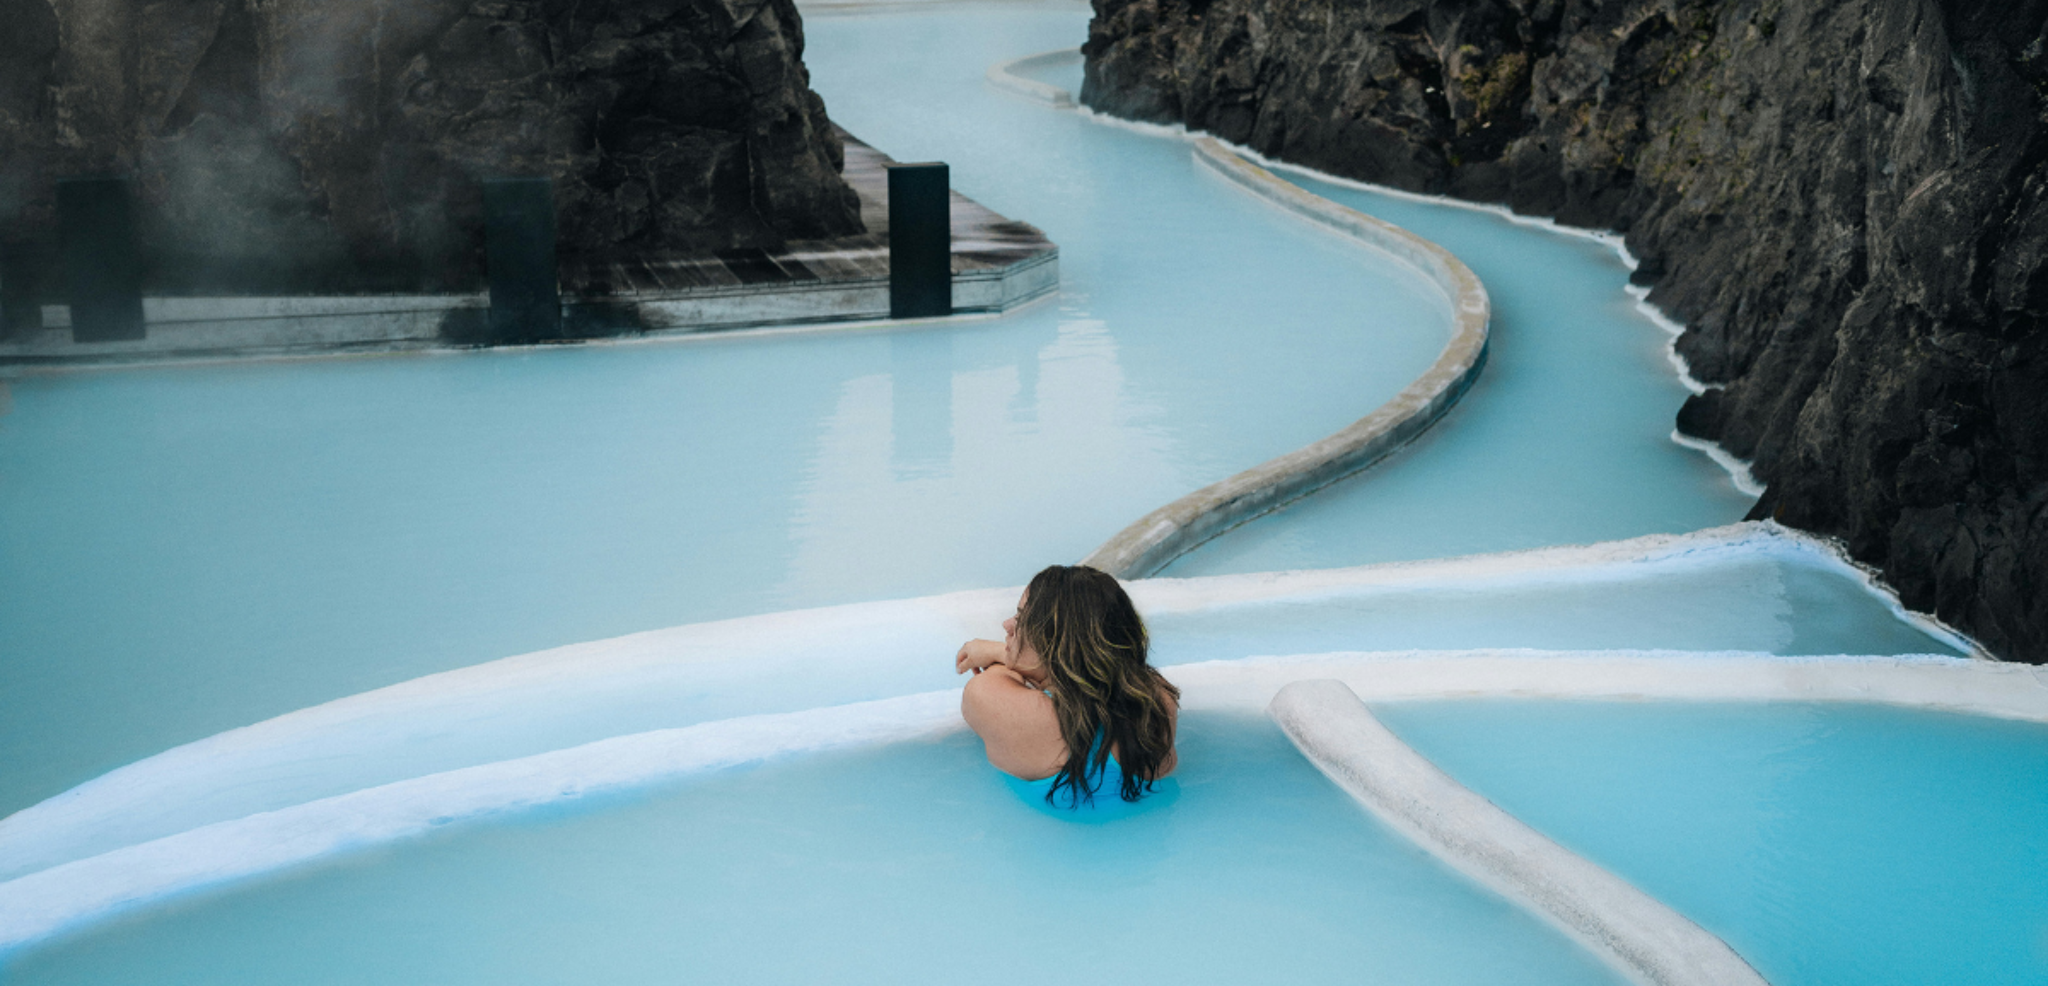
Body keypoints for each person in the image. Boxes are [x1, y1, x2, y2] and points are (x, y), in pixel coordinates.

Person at [955, 564, 1180, 807]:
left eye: (1021, 618)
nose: (1007, 625)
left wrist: (999, 655)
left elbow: (1000, 679)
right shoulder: (1158, 701)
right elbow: (1120, 669)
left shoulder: (999, 701)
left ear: (1053, 643)